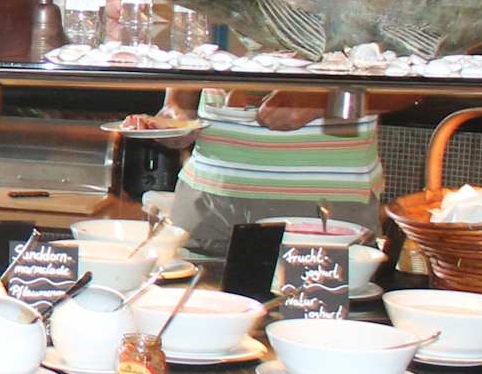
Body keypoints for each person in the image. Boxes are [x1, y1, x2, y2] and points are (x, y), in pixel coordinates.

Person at [162, 85, 390, 257]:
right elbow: (184, 76)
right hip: (208, 204)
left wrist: (322, 102)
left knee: (322, 306)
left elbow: (406, 90)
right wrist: (174, 114)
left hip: (329, 208)